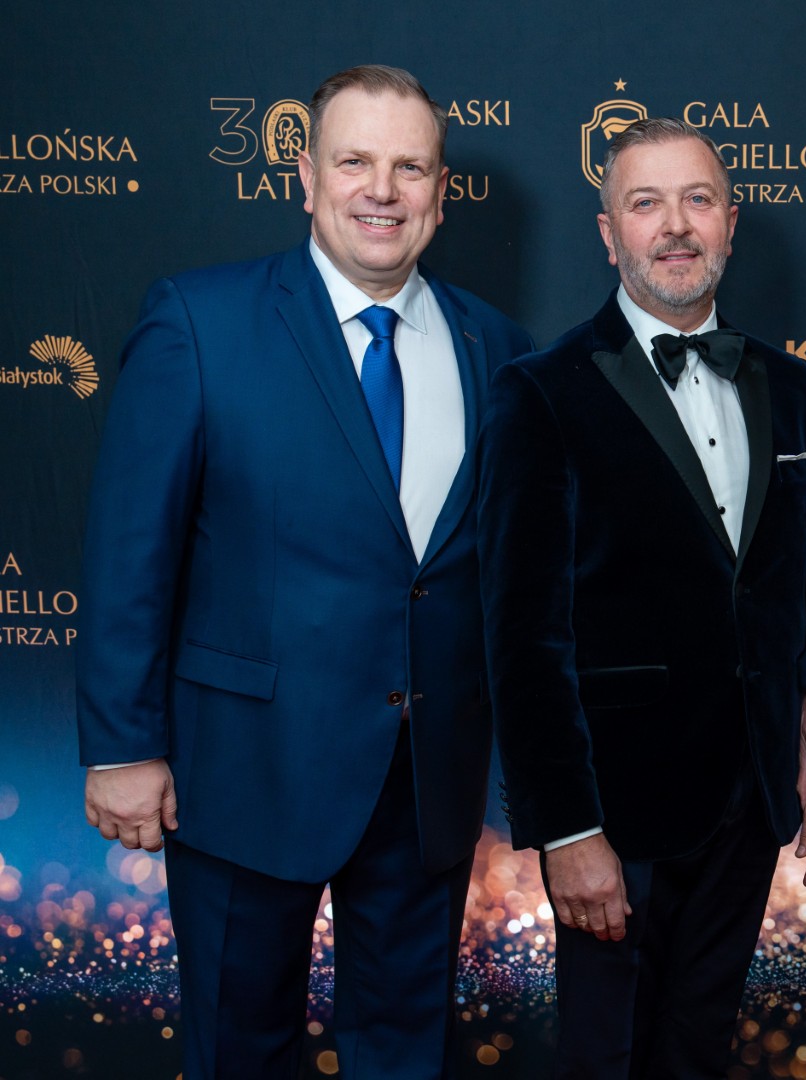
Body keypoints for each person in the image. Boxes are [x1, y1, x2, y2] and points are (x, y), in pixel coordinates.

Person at [76, 64, 533, 1079]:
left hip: (426, 784)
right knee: (240, 1049)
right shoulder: (199, 322)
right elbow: (129, 551)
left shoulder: (497, 349)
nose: (383, 191)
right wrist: (121, 747)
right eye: (355, 161)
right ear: (307, 177)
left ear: (441, 190)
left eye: (410, 167)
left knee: (405, 1055)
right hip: (242, 771)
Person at [477, 116, 806, 1078]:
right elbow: (524, 639)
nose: (676, 225)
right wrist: (567, 830)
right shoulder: (542, 392)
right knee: (606, 1060)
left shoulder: (790, 387)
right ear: (609, 232)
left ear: (730, 223)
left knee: (697, 1056)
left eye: (698, 200)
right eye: (646, 203)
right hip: (616, 816)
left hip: (750, 805)